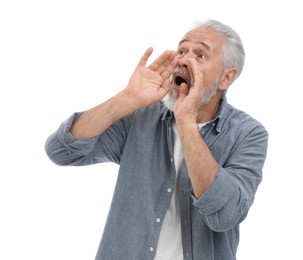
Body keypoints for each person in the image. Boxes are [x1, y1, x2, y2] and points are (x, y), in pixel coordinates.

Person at [45, 19, 268, 260]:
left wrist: (186, 122)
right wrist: (127, 98)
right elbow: (61, 151)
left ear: (226, 78)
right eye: (182, 51)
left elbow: (225, 216)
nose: (183, 60)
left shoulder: (249, 133)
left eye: (201, 55)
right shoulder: (141, 116)